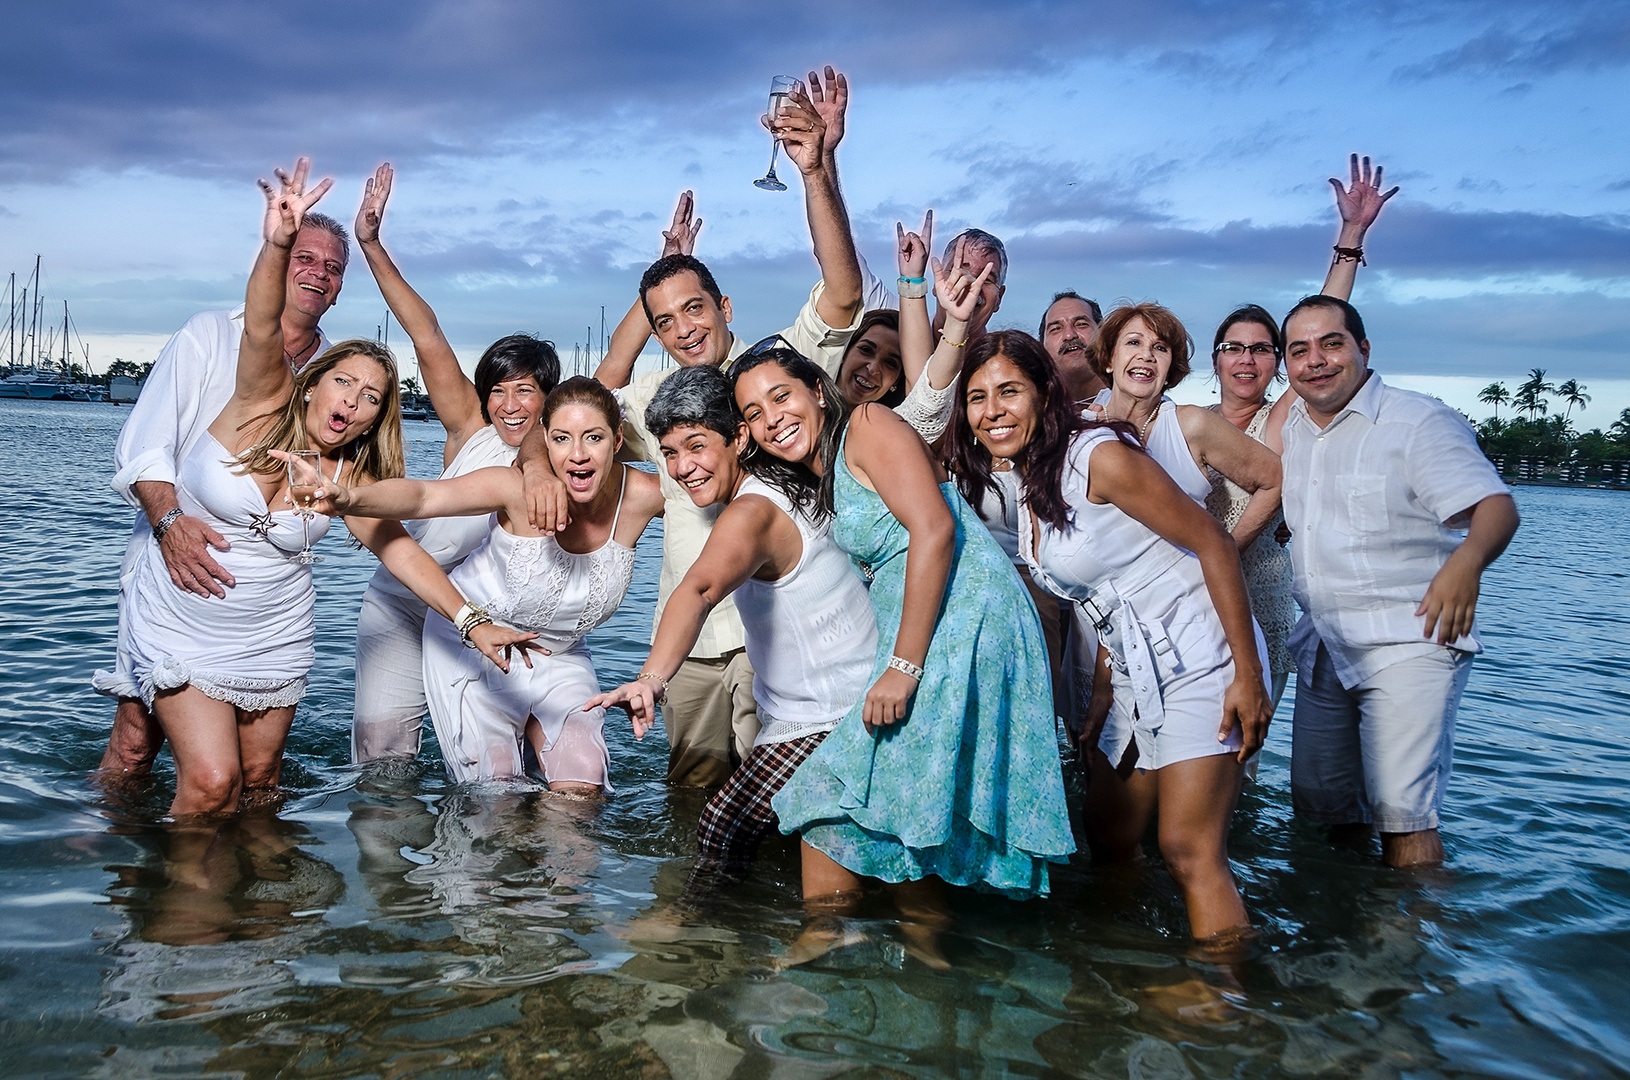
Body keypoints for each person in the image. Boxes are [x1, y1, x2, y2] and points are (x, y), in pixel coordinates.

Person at [96, 159, 527, 818]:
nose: (353, 401)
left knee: (260, 783)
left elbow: (401, 549)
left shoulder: (344, 472)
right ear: (317, 381)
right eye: (345, 384)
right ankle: (150, 888)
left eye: (372, 397)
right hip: (181, 596)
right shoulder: (253, 384)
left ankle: (260, 906)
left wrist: (474, 624)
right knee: (184, 768)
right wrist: (275, 242)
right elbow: (258, 333)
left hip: (274, 628)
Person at [524, 70, 869, 787]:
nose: (683, 329)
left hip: (779, 630)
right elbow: (590, 396)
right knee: (692, 809)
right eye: (665, 320)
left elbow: (843, 293)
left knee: (788, 804)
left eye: (694, 308)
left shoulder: (774, 375)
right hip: (689, 641)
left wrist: (816, 172)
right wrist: (659, 274)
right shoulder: (656, 397)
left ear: (725, 305)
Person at [724, 348, 1074, 954]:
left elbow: (934, 529)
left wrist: (903, 668)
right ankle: (923, 956)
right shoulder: (824, 463)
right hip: (935, 617)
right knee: (895, 798)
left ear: (815, 386)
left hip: (964, 616)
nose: (771, 419)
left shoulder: (865, 423)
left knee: (832, 792)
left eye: (781, 396)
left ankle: (827, 936)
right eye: (753, 413)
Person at [945, 330, 1272, 943]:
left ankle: (1224, 1001)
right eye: (977, 397)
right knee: (1110, 835)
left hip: (1203, 657)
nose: (992, 411)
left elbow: (1213, 543)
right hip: (1129, 669)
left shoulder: (1098, 456)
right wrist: (1102, 689)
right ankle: (1119, 966)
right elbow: (1105, 597)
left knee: (1186, 848)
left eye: (1009, 391)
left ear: (1045, 392)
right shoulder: (1029, 479)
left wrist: (1248, 677)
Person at [586, 364, 878, 883]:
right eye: (670, 453)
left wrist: (652, 678)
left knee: (722, 830)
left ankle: (699, 937)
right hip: (839, 702)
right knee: (766, 838)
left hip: (827, 717)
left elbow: (698, 589)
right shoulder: (790, 478)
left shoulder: (752, 513)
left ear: (739, 438)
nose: (682, 468)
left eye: (697, 446)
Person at [309, 377, 665, 792]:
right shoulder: (515, 487)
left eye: (594, 438)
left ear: (618, 438)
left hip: (561, 654)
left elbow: (717, 495)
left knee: (584, 789)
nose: (579, 455)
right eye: (563, 439)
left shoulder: (643, 496)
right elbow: (425, 497)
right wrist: (350, 499)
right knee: (496, 795)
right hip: (475, 645)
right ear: (544, 440)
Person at [95, 201, 350, 778]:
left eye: (332, 268)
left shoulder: (337, 376)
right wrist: (167, 523)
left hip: (265, 601)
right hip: (180, 567)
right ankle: (109, 855)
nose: (317, 273)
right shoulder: (208, 336)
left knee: (254, 774)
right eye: (303, 258)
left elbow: (330, 485)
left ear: (338, 290)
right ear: (279, 265)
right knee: (137, 739)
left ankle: (237, 865)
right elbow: (143, 446)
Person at [1279, 295, 1518, 868]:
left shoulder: (1417, 420)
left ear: (1363, 349)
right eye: (1299, 350)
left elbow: (1496, 508)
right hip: (1324, 642)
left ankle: (1408, 953)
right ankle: (1342, 934)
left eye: (1331, 344)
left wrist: (1466, 564)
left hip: (1408, 637)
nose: (1316, 360)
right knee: (1324, 811)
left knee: (1403, 819)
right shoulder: (1291, 426)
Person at [347, 163, 563, 763]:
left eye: (525, 390)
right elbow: (427, 335)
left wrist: (660, 283)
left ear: (550, 396)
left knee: (495, 768)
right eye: (498, 389)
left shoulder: (562, 451)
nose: (509, 404)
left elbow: (617, 370)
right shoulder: (470, 427)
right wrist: (370, 244)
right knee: (383, 764)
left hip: (483, 614)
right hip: (403, 598)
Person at [1205, 155, 1399, 703]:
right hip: (1190, 591)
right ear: (1216, 361)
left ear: (1280, 363)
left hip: (1259, 592)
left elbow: (1328, 311)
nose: (1247, 360)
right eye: (1233, 348)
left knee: (1242, 746)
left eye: (1262, 349)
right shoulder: (1188, 424)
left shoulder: (1284, 417)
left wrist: (1351, 233)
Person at [832, 221, 992, 445]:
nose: (970, 283)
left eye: (988, 278)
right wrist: (912, 278)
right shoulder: (888, 317)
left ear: (1000, 297)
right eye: (959, 270)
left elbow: (924, 400)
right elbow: (836, 258)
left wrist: (957, 322)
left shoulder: (1001, 365)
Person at [1039, 291, 1106, 406]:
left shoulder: (1137, 401)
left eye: (1081, 324)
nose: (1069, 335)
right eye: (1055, 329)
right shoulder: (1035, 412)